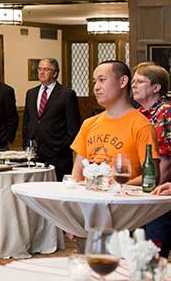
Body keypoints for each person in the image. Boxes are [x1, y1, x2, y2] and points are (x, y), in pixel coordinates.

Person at [71, 60, 159, 185]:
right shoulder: (88, 124)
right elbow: (77, 175)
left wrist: (117, 185)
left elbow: (152, 176)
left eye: (102, 80)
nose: (96, 87)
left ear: (123, 82)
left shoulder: (141, 125)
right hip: (90, 200)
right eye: (94, 82)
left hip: (123, 200)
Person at [132, 62, 171, 256]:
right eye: (133, 81)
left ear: (156, 87)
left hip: (158, 198)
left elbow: (166, 161)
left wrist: (153, 198)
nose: (133, 85)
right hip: (141, 194)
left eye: (140, 81)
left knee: (151, 255)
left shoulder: (166, 112)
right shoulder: (139, 114)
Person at [22, 58, 81, 180]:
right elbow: (27, 121)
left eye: (46, 69)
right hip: (34, 153)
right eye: (39, 69)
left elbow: (73, 127)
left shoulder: (67, 94)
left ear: (55, 73)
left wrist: (63, 146)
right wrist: (26, 142)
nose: (41, 72)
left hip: (58, 154)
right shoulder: (31, 93)